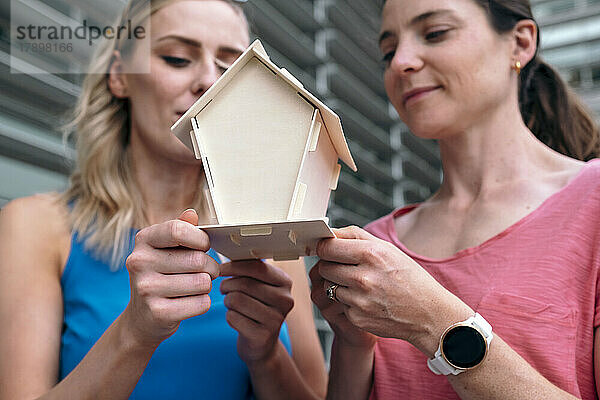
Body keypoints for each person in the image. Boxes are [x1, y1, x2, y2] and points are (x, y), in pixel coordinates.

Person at [0, 1, 327, 399]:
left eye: (230, 68)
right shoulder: (35, 226)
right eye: (176, 58)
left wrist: (267, 356)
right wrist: (134, 331)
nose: (209, 81)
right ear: (120, 75)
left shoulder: (271, 234)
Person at [310, 0, 600, 399]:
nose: (401, 63)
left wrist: (434, 322)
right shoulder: (376, 244)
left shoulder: (593, 204)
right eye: (389, 51)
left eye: (435, 33)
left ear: (520, 42)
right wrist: (353, 343)